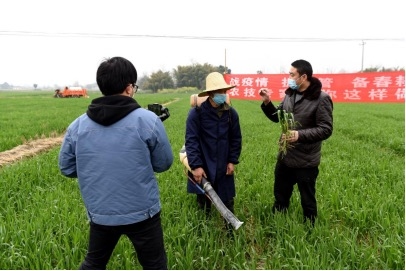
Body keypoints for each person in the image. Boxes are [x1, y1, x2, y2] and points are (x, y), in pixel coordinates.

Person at [58, 56, 173, 270]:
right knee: (155, 265)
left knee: (94, 262)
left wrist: (92, 167)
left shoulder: (77, 126)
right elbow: (163, 163)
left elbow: (67, 167)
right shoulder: (148, 120)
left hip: (101, 213)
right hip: (143, 213)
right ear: (129, 88)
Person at [259, 59, 333, 226]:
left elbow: (326, 129)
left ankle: (310, 231)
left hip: (306, 160)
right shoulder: (290, 94)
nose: (289, 78)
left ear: (303, 76)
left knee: (307, 201)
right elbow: (278, 117)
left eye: (292, 75)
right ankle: (277, 226)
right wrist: (267, 102)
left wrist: (299, 135)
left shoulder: (321, 99)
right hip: (285, 156)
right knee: (280, 196)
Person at [185, 71, 242, 228]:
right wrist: (196, 166)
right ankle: (204, 236)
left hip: (223, 165)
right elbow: (191, 141)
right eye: (219, 92)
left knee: (227, 200)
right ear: (210, 93)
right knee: (204, 204)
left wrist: (232, 160)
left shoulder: (231, 114)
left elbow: (236, 139)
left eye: (224, 91)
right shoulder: (196, 114)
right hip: (203, 165)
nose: (223, 94)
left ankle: (230, 233)